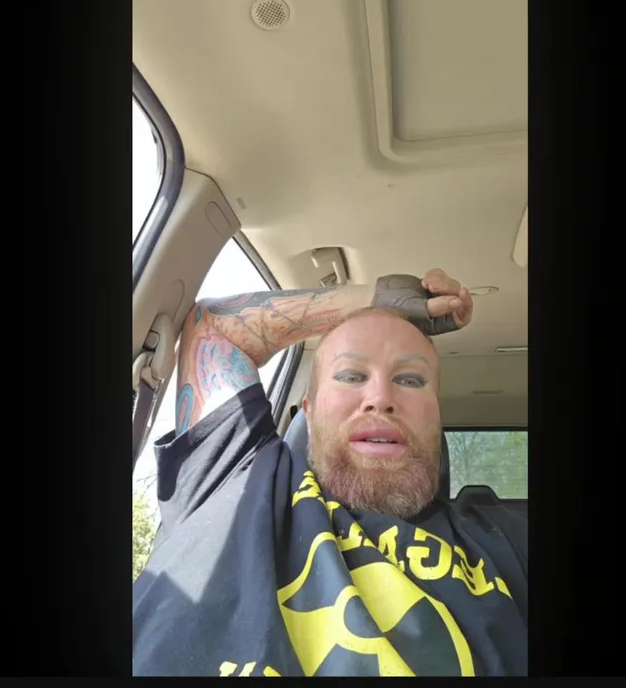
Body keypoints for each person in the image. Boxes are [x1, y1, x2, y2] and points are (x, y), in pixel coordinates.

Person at [132, 269, 528, 676]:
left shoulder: (505, 542)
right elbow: (213, 326)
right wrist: (378, 299)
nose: (380, 398)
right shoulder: (237, 473)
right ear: (309, 409)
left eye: (410, 379)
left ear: (436, 415)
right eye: (351, 376)